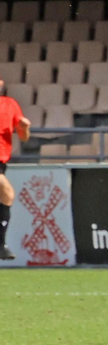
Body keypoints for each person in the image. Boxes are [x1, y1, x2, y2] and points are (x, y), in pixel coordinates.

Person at [0, 80, 33, 261]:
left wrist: (24, 128)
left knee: (7, 196)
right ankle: (1, 245)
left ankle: (1, 245)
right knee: (7, 192)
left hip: (2, 160)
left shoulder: (10, 104)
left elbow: (24, 137)